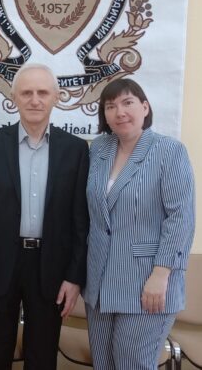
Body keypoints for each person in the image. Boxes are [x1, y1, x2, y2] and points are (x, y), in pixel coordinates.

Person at [0, 62, 89, 369]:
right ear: (14, 98)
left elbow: (80, 221)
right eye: (27, 93)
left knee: (42, 358)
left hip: (51, 267)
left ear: (56, 97)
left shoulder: (76, 150)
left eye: (43, 93)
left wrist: (74, 277)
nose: (35, 100)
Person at [84, 78, 195, 369]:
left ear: (145, 107)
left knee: (132, 363)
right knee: (103, 364)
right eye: (111, 106)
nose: (119, 112)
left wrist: (161, 274)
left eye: (128, 102)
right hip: (99, 281)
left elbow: (181, 217)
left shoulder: (169, 151)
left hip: (147, 281)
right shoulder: (99, 149)